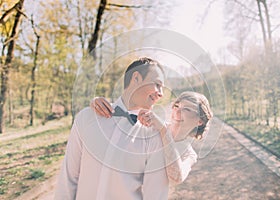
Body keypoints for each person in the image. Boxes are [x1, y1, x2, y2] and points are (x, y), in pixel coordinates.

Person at [54, 57, 169, 200]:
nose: (161, 93)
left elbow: (155, 195)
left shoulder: (154, 136)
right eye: (157, 84)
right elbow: (68, 180)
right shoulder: (87, 117)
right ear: (136, 78)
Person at [91, 91, 213, 185]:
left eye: (186, 109)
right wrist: (98, 104)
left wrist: (164, 131)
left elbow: (176, 177)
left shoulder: (189, 154)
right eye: (176, 106)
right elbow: (120, 117)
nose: (177, 111)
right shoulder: (152, 124)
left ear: (200, 121)